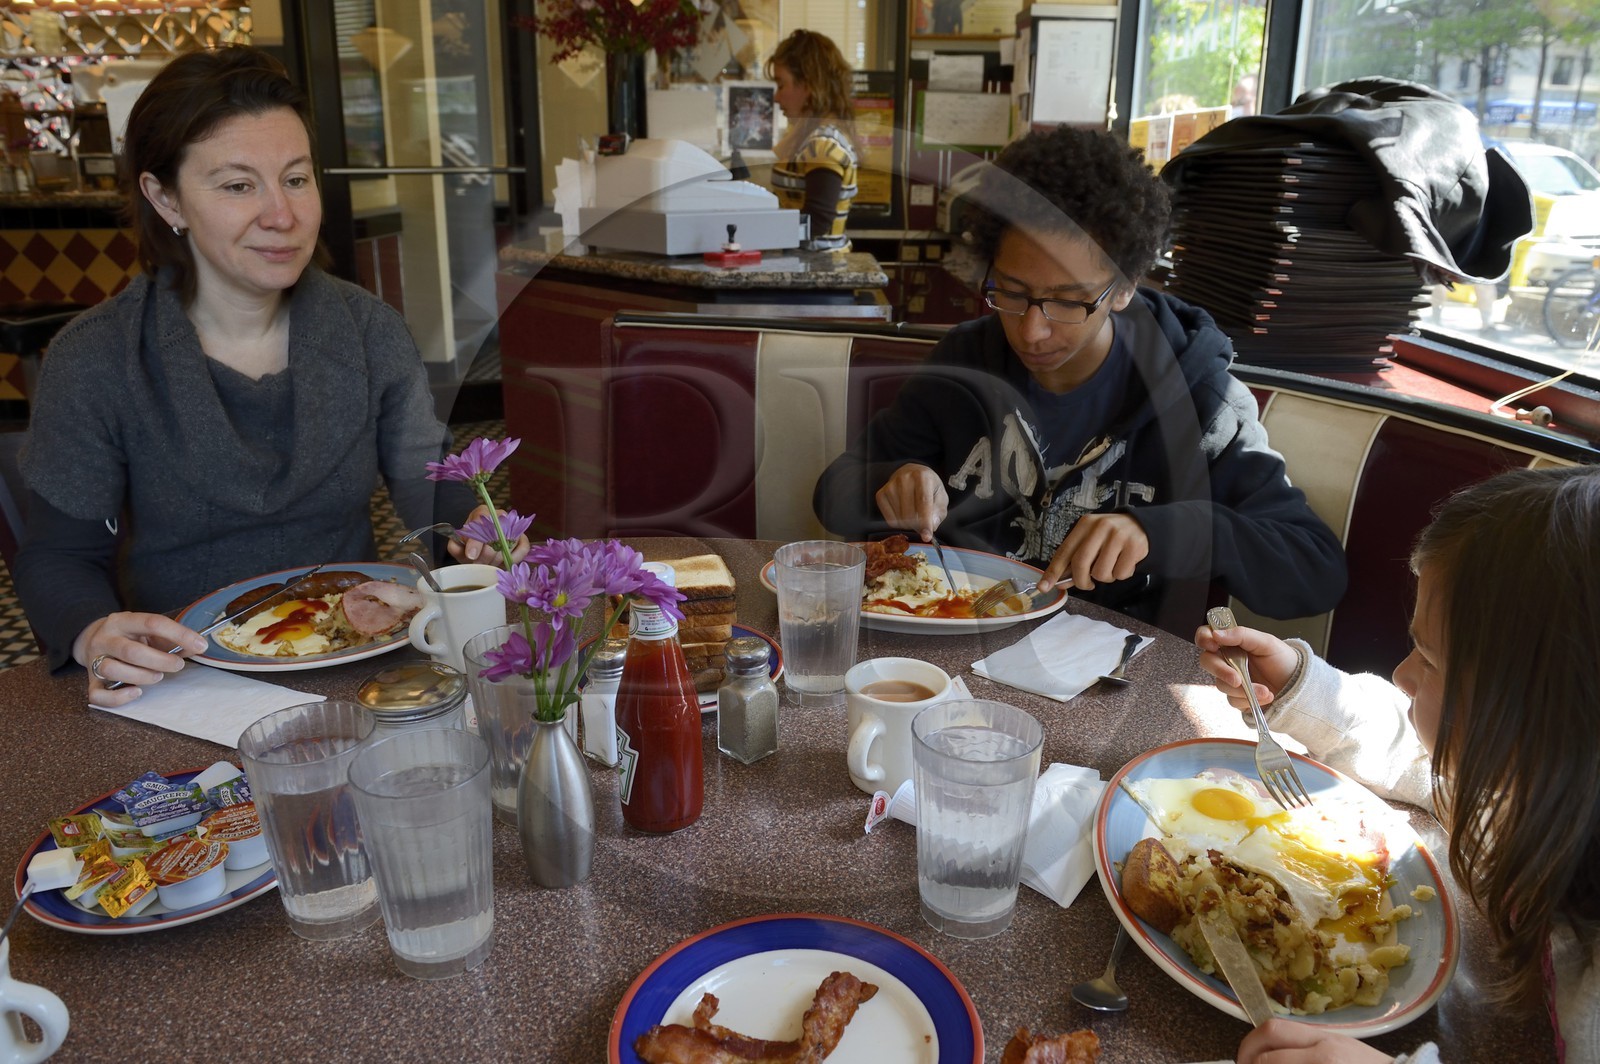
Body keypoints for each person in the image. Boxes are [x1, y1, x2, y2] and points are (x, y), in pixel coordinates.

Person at [13, 46, 519, 707]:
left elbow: (432, 493)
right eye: (237, 185)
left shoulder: (367, 330)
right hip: (187, 682)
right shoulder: (98, 357)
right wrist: (95, 633)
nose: (282, 214)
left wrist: (478, 529)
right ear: (165, 198)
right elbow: (57, 556)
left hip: (362, 663)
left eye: (296, 179)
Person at [812, 125, 1346, 632]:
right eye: (1012, 292)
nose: (1032, 330)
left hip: (1110, 677)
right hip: (954, 638)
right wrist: (890, 481)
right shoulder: (965, 363)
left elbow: (1314, 569)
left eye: (1068, 302)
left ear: (1123, 288)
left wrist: (1160, 531)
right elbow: (832, 493)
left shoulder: (1199, 399)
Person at [1197, 465, 1600, 1064]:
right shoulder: (1523, 785)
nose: (1403, 675)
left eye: (1432, 662)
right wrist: (1302, 686)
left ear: (1544, 720)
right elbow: (1423, 754)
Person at [766, 29, 858, 252]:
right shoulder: (808, 137)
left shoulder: (823, 145)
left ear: (808, 86)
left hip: (818, 273)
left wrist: (756, 233)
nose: (776, 97)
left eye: (781, 85)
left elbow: (815, 222)